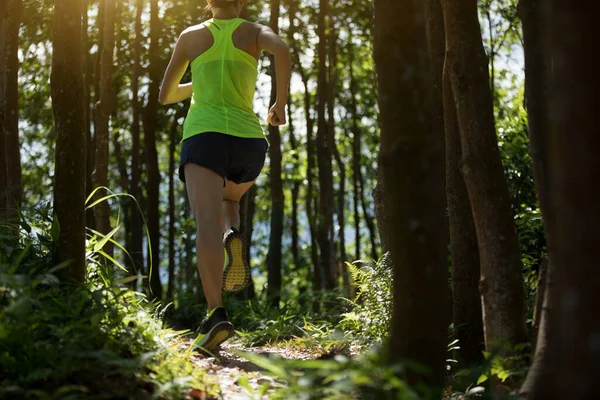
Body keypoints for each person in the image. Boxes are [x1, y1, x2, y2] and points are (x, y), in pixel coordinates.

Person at [158, 0, 291, 352]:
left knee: (205, 221)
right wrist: (280, 103)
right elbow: (282, 49)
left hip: (205, 137)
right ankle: (232, 233)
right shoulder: (254, 32)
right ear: (242, 1)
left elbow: (165, 95)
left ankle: (215, 313)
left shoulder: (190, 37)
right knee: (230, 197)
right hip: (249, 142)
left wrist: (198, 82)